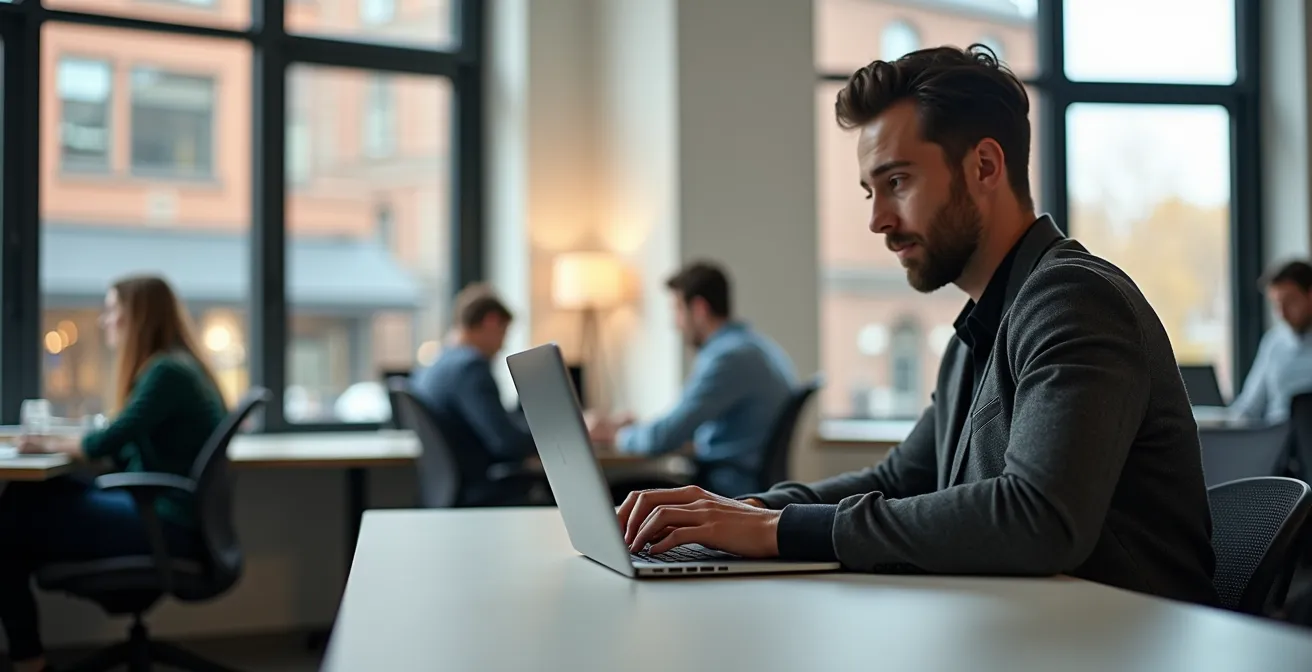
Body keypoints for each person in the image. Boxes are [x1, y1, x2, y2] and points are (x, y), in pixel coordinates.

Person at [614, 45, 1218, 606]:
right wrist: (730, 513)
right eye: (869, 191)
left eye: (897, 182)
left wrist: (778, 529)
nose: (878, 219)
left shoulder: (1074, 298)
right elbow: (903, 478)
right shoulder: (981, 329)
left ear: (984, 165)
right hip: (1035, 629)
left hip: (1120, 645)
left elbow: (1036, 518)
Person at [0, 276, 226, 672]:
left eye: (112, 310)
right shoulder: (176, 366)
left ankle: (28, 660)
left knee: (11, 519)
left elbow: (106, 442)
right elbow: (124, 445)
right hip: (171, 514)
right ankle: (28, 658)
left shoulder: (166, 371)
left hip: (168, 522)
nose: (105, 320)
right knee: (24, 499)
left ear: (136, 317)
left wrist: (51, 442)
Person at [587, 262, 796, 498]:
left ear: (698, 308)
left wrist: (615, 435)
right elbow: (686, 428)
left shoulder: (728, 358)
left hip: (727, 491)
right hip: (742, 483)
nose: (675, 324)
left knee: (604, 493)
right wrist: (634, 429)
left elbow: (665, 437)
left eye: (677, 310)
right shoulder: (756, 347)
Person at [410, 284, 536, 506]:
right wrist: (561, 434)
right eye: (503, 333)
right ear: (491, 321)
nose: (502, 345)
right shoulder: (470, 368)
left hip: (449, 489)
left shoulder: (436, 364)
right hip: (480, 489)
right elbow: (506, 444)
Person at [1230, 260, 1312, 423]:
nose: (1282, 313)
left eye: (1290, 302)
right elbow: (1249, 406)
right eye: (1277, 304)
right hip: (1277, 439)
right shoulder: (1274, 342)